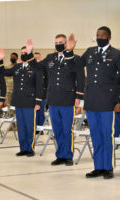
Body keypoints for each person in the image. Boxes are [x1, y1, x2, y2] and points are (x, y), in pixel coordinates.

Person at [73, 26, 120, 178]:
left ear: (109, 37)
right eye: (98, 35)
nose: (100, 37)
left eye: (103, 35)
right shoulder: (90, 52)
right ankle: (98, 166)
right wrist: (69, 52)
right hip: (91, 102)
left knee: (107, 136)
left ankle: (108, 167)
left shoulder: (116, 54)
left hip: (108, 102)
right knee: (95, 135)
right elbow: (76, 65)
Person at [40, 34, 85, 166]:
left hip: (68, 98)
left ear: (66, 44)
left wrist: (79, 97)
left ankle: (68, 155)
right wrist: (28, 55)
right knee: (57, 129)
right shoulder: (50, 58)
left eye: (61, 42)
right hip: (53, 98)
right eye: (56, 42)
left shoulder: (75, 59)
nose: (58, 44)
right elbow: (37, 67)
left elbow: (81, 79)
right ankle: (60, 155)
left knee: (67, 129)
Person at [0, 42, 43, 156]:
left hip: (30, 101)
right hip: (18, 100)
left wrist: (38, 101)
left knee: (29, 126)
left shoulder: (35, 67)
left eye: (25, 52)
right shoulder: (17, 67)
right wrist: (0, 60)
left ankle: (30, 148)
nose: (23, 55)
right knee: (21, 126)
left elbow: (39, 85)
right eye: (21, 53)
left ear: (30, 53)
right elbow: (3, 72)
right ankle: (23, 148)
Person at [34, 52, 47, 127]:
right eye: (35, 58)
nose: (36, 59)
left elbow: (47, 80)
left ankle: (40, 128)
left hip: (42, 93)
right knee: (34, 112)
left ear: (41, 58)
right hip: (33, 93)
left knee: (40, 111)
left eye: (38, 57)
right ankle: (34, 127)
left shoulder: (44, 68)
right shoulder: (32, 67)